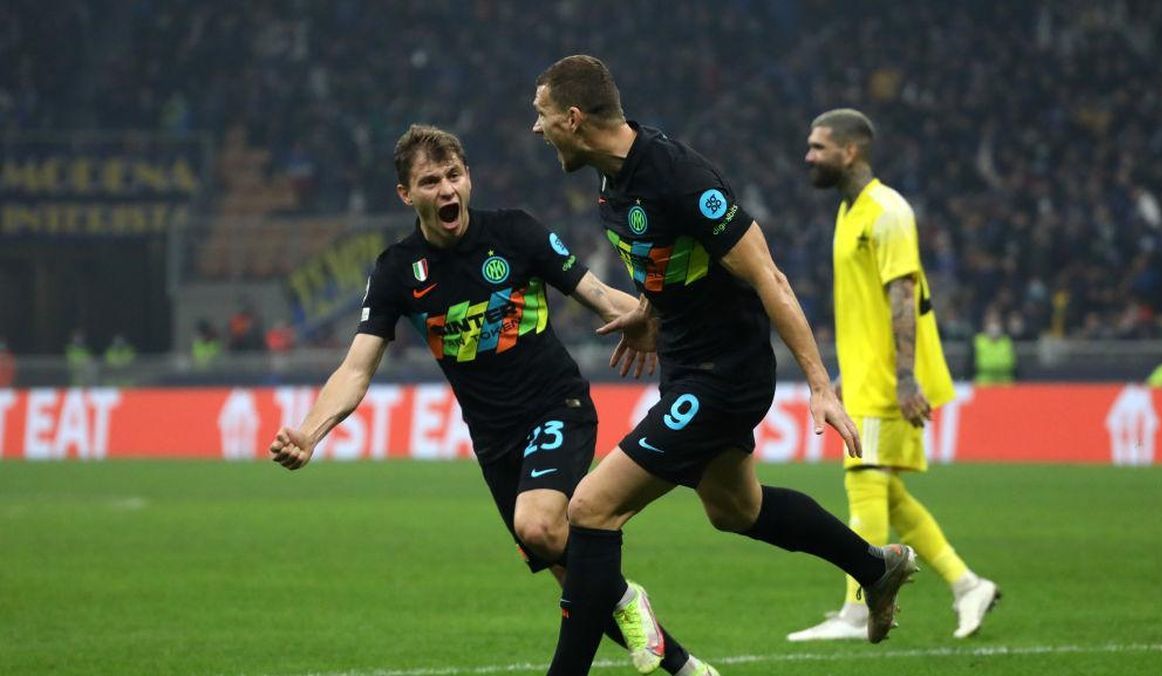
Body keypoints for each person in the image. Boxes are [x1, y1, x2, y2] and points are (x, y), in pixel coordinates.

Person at [267, 124, 716, 676]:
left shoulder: (515, 232)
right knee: (574, 576)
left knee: (540, 528)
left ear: (469, 179)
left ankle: (627, 597)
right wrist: (309, 433)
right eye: (430, 181)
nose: (446, 190)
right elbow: (356, 368)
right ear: (406, 195)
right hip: (495, 444)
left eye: (454, 175)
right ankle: (688, 670)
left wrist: (671, 326)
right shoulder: (397, 271)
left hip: (558, 407)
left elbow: (600, 296)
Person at [531, 55, 917, 674]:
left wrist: (820, 385)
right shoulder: (612, 180)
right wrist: (647, 312)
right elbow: (669, 257)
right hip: (686, 365)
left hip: (725, 373)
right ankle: (875, 566)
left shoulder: (681, 177)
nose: (537, 127)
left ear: (573, 119)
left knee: (589, 509)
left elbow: (769, 277)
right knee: (736, 509)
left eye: (543, 114)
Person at [788, 109, 999, 642]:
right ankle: (967, 585)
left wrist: (905, 379)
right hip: (866, 375)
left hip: (889, 379)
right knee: (889, 495)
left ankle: (857, 611)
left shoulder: (888, 212)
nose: (808, 156)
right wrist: (846, 371)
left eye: (818, 147)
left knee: (863, 480)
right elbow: (866, 308)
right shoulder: (849, 211)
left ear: (850, 151)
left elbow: (903, 296)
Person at [972, 308, 1017, 385]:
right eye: (990, 322)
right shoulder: (977, 341)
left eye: (996, 322)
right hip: (983, 385)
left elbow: (1013, 365)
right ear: (985, 324)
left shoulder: (1007, 342)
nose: (993, 326)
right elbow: (971, 365)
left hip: (1005, 384)